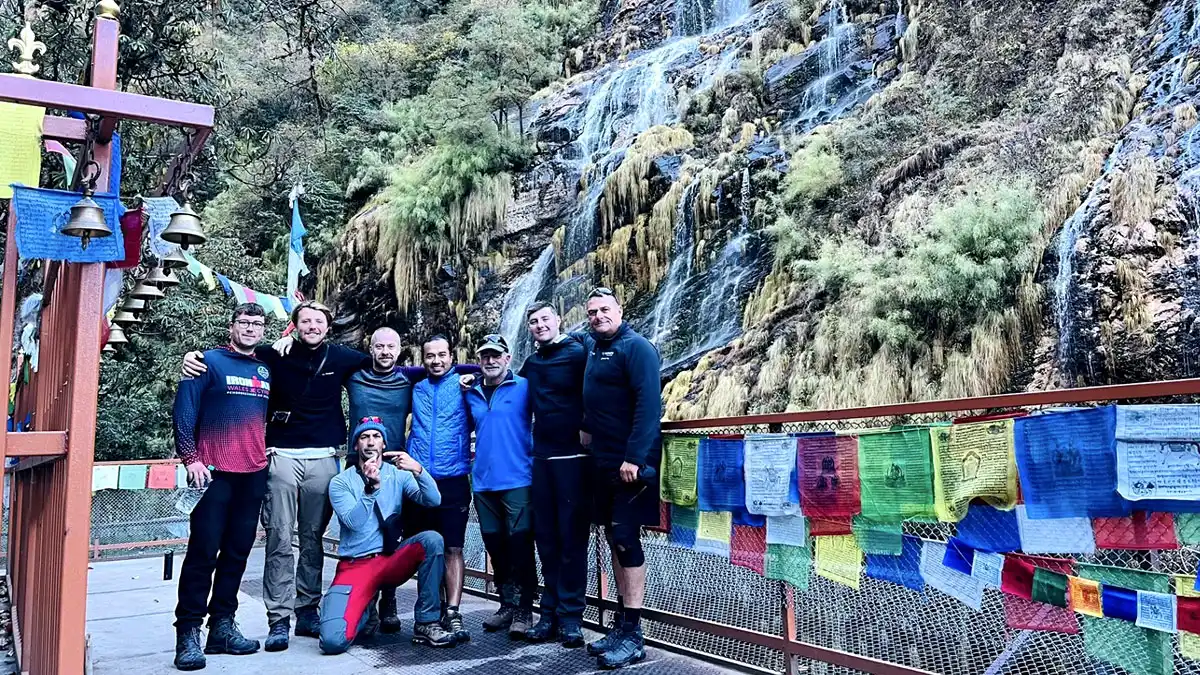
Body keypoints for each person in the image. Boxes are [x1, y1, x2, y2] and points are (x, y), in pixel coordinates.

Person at [182, 300, 370, 651]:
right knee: (278, 538)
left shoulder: (344, 358)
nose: (313, 326)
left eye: (319, 321)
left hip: (321, 458)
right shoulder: (271, 355)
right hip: (276, 457)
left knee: (312, 538)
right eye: (306, 320)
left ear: (328, 326)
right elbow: (223, 363)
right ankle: (278, 618)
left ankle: (307, 610)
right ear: (294, 326)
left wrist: (461, 370)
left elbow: (387, 366)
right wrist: (191, 357)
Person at [170, 304, 272, 671]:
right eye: (244, 322)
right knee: (203, 553)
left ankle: (223, 628)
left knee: (237, 554)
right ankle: (188, 632)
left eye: (257, 323)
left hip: (253, 472)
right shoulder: (206, 362)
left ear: (263, 330)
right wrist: (190, 458)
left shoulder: (266, 367)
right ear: (231, 326)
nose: (250, 328)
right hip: (212, 473)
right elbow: (184, 409)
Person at [318, 418, 456, 654]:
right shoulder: (340, 482)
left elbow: (433, 500)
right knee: (333, 642)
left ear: (384, 444)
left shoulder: (398, 475)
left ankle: (426, 622)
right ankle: (366, 611)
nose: (370, 442)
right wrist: (371, 489)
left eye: (376, 436)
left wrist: (418, 469)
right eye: (364, 437)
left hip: (390, 560)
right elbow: (353, 522)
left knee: (432, 540)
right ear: (356, 445)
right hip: (356, 565)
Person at [579, 288, 662, 669]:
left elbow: (648, 405)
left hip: (631, 465)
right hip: (603, 461)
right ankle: (620, 623)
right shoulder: (595, 349)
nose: (598, 316)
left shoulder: (637, 348)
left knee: (626, 539)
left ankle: (634, 633)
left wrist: (634, 457)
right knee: (613, 537)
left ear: (620, 310)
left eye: (604, 310)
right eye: (592, 312)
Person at [515, 302, 590, 647]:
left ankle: (572, 617)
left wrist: (589, 432)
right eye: (534, 321)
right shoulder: (532, 362)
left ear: (558, 320)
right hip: (541, 458)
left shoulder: (578, 353)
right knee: (545, 537)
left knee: (572, 538)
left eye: (545, 319)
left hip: (574, 458)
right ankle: (549, 612)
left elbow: (598, 391)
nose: (540, 325)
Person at [463, 334, 536, 639]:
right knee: (495, 544)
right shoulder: (471, 392)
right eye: (484, 356)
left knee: (520, 544)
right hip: (483, 482)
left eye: (496, 356)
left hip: (518, 478)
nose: (490, 361)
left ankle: (525, 609)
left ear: (508, 358)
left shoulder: (524, 387)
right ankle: (507, 604)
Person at [404, 334, 475, 642]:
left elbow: (492, 369)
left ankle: (454, 611)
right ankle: (429, 615)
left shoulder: (464, 385)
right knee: (426, 549)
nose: (436, 360)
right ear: (423, 359)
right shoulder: (415, 388)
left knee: (453, 547)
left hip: (454, 477)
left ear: (452, 357)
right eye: (429, 355)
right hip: (419, 479)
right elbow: (391, 370)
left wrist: (470, 374)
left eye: (442, 355)